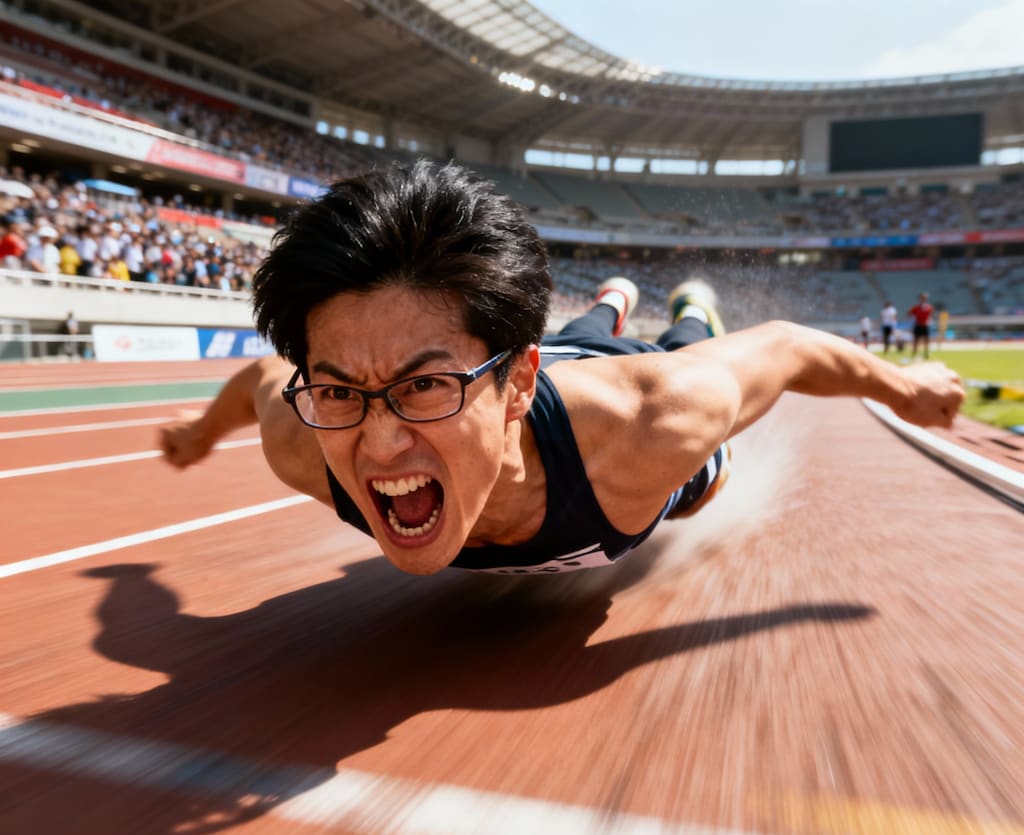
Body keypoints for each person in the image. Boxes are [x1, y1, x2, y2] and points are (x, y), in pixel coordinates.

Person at [159, 161, 965, 577]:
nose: (376, 446)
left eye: (422, 387)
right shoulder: (307, 434)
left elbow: (789, 346)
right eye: (340, 390)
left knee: (681, 366)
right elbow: (258, 384)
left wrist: (908, 387)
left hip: (607, 385)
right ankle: (610, 302)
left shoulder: (652, 424)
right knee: (583, 333)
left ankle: (684, 307)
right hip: (547, 362)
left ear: (517, 386)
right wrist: (199, 436)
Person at [908, 291, 934, 360]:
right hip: (918, 325)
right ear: (919, 298)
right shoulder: (916, 307)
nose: (923, 299)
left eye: (924, 298)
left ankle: (926, 353)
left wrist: (928, 320)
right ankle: (914, 353)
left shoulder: (929, 307)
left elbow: (930, 315)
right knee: (916, 340)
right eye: (922, 297)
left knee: (926, 340)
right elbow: (909, 313)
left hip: (925, 325)